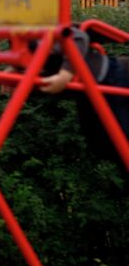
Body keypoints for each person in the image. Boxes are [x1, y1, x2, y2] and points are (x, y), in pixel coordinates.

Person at [32, 27, 129, 166]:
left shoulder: (46, 28)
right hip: (86, 90)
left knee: (121, 140)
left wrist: (66, 73)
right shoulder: (18, 37)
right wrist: (14, 68)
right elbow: (24, 58)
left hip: (110, 77)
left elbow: (78, 37)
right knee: (101, 146)